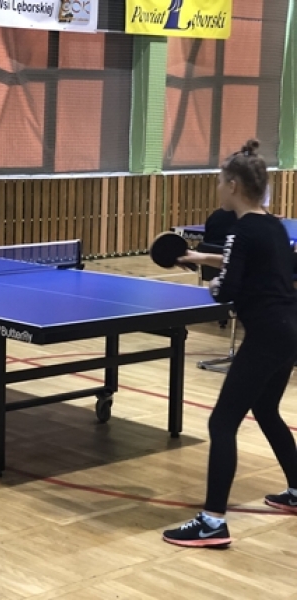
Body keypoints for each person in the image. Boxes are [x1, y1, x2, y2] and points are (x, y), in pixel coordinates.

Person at [162, 139, 297, 548]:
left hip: (266, 335)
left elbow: (227, 290)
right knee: (266, 410)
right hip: (289, 331)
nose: (218, 188)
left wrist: (213, 284)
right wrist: (201, 258)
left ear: (234, 185)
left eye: (221, 181)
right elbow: (256, 262)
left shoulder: (240, 230)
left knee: (221, 423)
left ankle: (212, 522)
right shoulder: (272, 225)